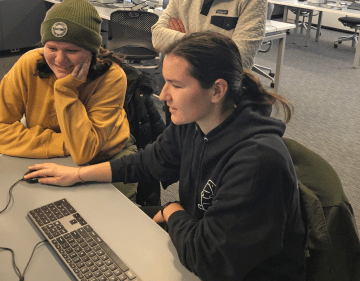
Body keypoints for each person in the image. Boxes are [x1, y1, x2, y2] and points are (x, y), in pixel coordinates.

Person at [25, 31, 306, 281]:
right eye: (164, 82)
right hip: (200, 234)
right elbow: (146, 163)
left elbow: (212, 262)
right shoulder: (195, 122)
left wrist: (172, 211)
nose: (162, 95)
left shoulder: (257, 161)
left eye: (177, 85)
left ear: (217, 90)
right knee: (95, 226)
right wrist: (78, 174)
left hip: (234, 268)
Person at [0, 0, 137, 200]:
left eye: (72, 50)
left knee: (113, 220)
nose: (59, 60)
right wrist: (64, 145)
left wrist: (66, 91)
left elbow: (84, 151)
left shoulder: (111, 77)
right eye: (51, 48)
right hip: (53, 153)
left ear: (92, 51)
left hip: (106, 156)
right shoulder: (29, 63)